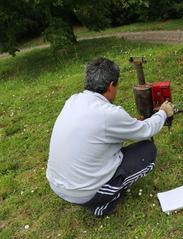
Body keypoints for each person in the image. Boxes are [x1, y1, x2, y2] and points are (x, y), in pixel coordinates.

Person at [46, 57, 174, 217]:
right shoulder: (110, 114)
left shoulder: (73, 101)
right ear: (111, 86)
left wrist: (128, 125)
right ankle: (103, 203)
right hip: (83, 192)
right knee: (147, 151)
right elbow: (146, 130)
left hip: (58, 185)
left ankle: (93, 193)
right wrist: (163, 112)